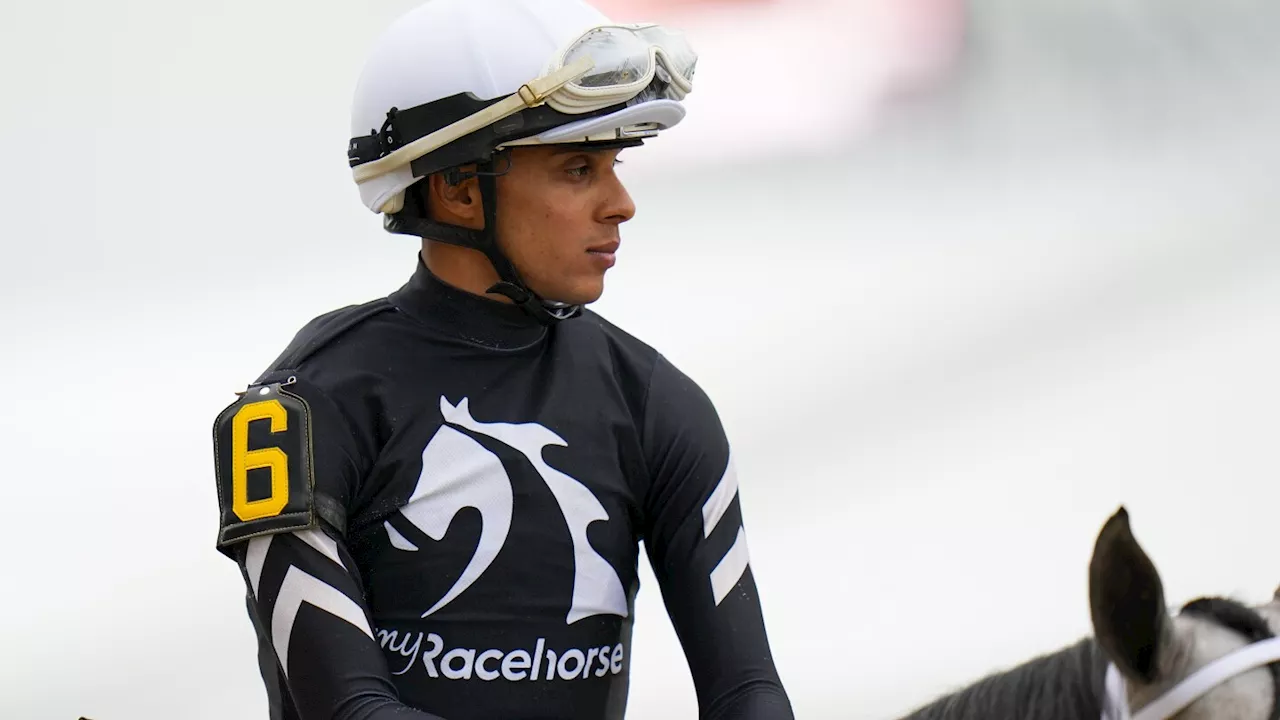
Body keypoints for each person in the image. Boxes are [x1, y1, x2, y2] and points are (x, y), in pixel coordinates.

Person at [209, 0, 793, 718]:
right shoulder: (300, 408)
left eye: (612, 165)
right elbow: (350, 709)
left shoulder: (655, 402)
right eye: (578, 169)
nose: (621, 203)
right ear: (458, 190)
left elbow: (749, 693)